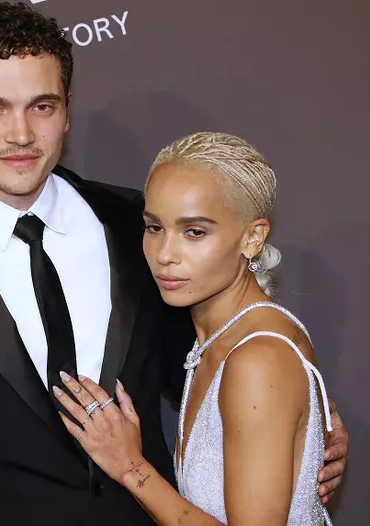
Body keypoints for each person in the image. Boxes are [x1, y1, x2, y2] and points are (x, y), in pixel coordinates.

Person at [0, 3, 348, 525]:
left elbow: (205, 366)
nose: (20, 134)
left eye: (42, 106)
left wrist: (298, 425)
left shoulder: (140, 227)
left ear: (67, 108)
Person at [53, 132, 337, 525]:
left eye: (194, 232)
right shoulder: (222, 339)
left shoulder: (257, 360)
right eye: (154, 228)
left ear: (253, 238)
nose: (165, 255)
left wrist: (131, 466)